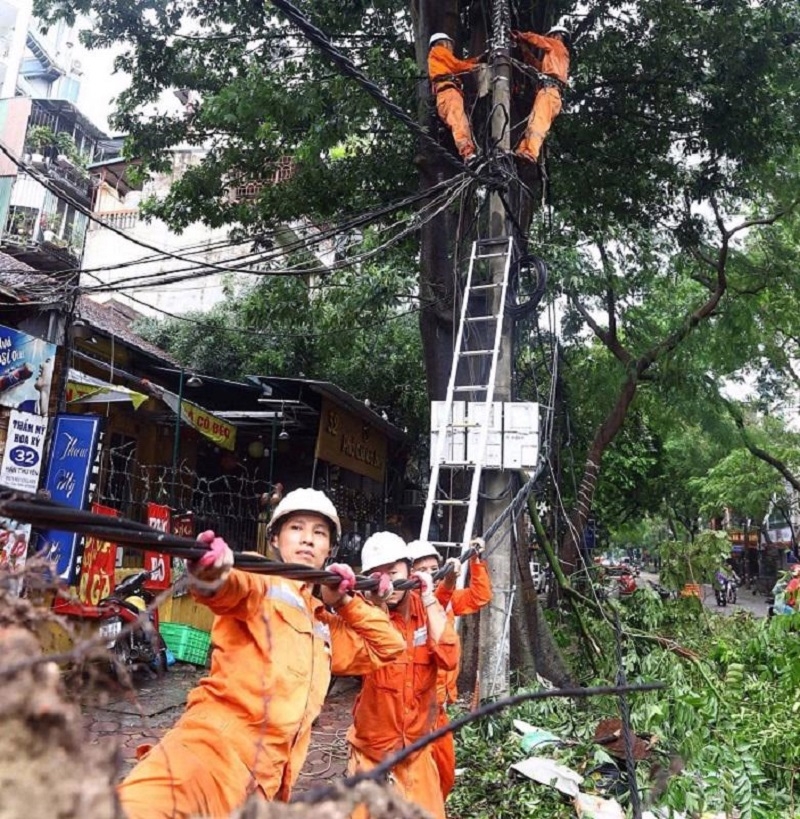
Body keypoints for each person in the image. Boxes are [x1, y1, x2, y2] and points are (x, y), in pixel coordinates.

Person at [118, 488, 406, 819]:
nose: (308, 540)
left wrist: (344, 601)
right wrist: (211, 570)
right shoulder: (261, 575)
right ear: (275, 538)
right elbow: (228, 584)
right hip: (209, 754)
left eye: (319, 532)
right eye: (296, 528)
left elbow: (389, 646)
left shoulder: (323, 623)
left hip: (267, 785)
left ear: (330, 549)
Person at [347, 532, 458, 819]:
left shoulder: (425, 608)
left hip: (416, 750)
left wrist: (431, 597)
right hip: (373, 750)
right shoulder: (361, 612)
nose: (387, 581)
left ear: (409, 571)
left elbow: (449, 657)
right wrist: (373, 605)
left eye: (393, 572)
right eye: (377, 574)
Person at [409, 538, 492, 799]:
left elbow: (480, 596)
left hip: (440, 706)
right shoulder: (408, 606)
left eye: (435, 568)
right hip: (415, 708)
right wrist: (445, 586)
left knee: (444, 772)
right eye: (423, 569)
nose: (432, 575)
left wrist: (476, 560)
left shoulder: (444, 600)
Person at [511, 24, 571, 163]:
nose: (548, 38)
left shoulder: (556, 44)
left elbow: (538, 40)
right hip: (549, 93)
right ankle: (523, 150)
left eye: (550, 36)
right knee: (533, 122)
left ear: (556, 36)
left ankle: (530, 152)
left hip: (549, 92)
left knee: (538, 124)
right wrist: (524, 49)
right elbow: (536, 66)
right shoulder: (556, 58)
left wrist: (521, 35)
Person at [428, 32, 482, 165]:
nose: (451, 48)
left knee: (460, 122)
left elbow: (457, 64)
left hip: (446, 95)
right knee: (459, 122)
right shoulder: (438, 50)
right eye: (450, 45)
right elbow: (457, 65)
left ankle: (468, 153)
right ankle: (468, 153)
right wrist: (475, 67)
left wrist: (476, 60)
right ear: (443, 43)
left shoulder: (439, 59)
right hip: (449, 93)